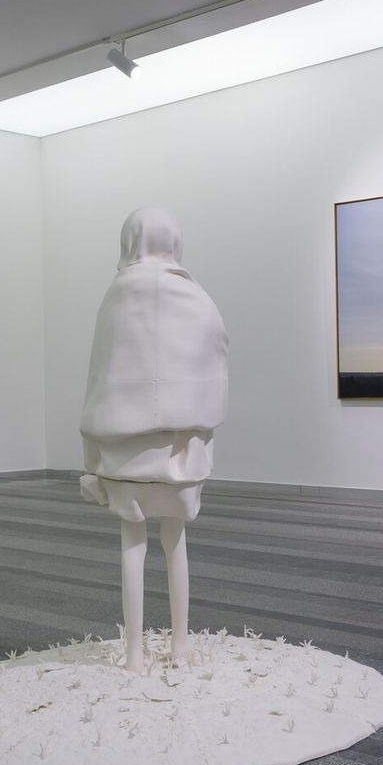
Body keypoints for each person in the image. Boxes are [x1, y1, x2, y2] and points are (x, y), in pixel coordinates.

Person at [79, 208, 229, 671]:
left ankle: (134, 653)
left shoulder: (118, 293)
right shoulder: (195, 294)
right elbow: (216, 351)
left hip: (125, 447)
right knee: (175, 540)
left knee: (132, 543)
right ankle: (180, 645)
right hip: (179, 449)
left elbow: (101, 369)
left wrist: (91, 454)